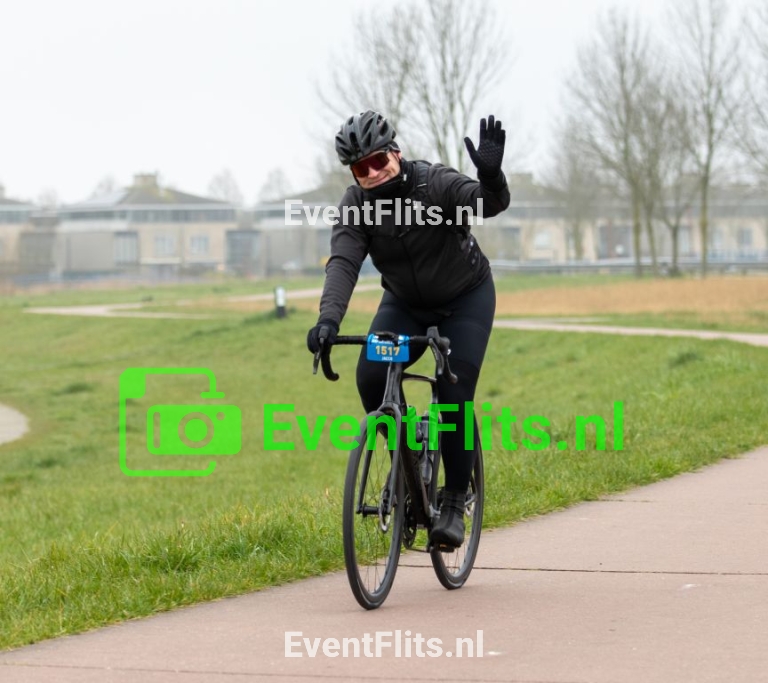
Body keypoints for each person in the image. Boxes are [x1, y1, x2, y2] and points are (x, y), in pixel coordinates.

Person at [307, 110, 510, 548]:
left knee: (453, 393)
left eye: (378, 161)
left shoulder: (434, 184)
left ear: (396, 153)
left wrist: (491, 178)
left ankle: (454, 500)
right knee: (371, 376)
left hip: (465, 299)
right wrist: (328, 320)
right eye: (361, 169)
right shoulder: (357, 206)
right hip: (405, 306)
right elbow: (343, 262)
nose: (372, 173)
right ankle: (408, 462)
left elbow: (487, 203)